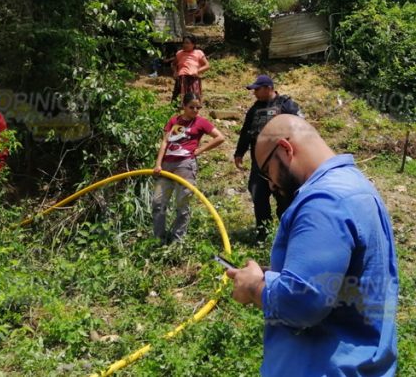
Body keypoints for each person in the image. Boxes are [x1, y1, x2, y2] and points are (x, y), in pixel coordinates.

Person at [226, 114, 399, 376]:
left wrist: (253, 287)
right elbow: (338, 279)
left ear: (285, 149)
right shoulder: (356, 186)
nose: (271, 185)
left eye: (267, 172)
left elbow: (301, 302)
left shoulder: (323, 202)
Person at [233, 74, 302, 241]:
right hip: (259, 164)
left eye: (257, 89)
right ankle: (263, 236)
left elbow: (301, 129)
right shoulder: (254, 109)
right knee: (259, 197)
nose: (254, 92)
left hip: (282, 164)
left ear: (269, 88)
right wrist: (239, 153)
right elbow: (245, 132)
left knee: (285, 201)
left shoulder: (287, 105)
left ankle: (287, 236)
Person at [151, 92, 225, 243]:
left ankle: (178, 240)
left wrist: (201, 150)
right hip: (166, 165)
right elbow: (165, 142)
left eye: (198, 107)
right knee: (158, 203)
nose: (195, 110)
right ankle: (158, 238)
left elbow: (220, 137)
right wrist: (158, 163)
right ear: (184, 106)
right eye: (192, 107)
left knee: (182, 203)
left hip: (185, 165)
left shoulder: (201, 122)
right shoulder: (174, 120)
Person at [171, 35, 208, 103]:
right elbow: (173, 64)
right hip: (181, 78)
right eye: (184, 43)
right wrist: (175, 72)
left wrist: (197, 71)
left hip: (193, 79)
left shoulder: (198, 53)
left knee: (193, 100)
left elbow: (207, 65)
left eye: (187, 43)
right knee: (179, 100)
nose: (185, 45)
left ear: (193, 44)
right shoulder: (179, 53)